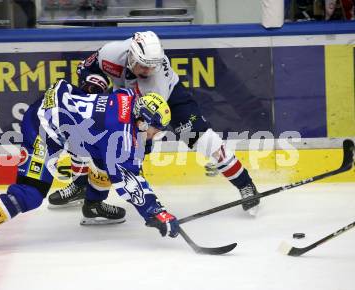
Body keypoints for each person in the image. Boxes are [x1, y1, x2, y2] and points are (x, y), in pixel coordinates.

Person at [0, 79, 179, 258]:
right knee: (29, 195)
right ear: (142, 121)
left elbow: (127, 147)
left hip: (62, 109)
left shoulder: (127, 99)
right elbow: (129, 180)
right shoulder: (121, 135)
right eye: (154, 130)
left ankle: (92, 206)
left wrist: (139, 149)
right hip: (42, 127)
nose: (155, 136)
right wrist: (156, 212)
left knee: (104, 163)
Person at [48, 31, 260, 214]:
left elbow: (149, 127)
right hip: (126, 99)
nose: (148, 71)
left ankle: (245, 184)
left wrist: (137, 150)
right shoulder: (111, 53)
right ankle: (82, 184)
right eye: (143, 66)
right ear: (131, 55)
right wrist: (93, 84)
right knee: (94, 135)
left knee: (204, 141)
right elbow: (85, 68)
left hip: (168, 102)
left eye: (152, 67)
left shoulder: (155, 82)